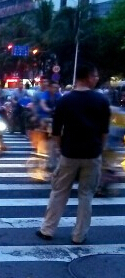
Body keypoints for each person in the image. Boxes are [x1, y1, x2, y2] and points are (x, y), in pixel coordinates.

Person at [36, 62, 110, 244]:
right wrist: (99, 150)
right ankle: (79, 235)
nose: (97, 79)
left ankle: (47, 229)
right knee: (86, 195)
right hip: (92, 154)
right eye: (95, 76)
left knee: (59, 191)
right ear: (86, 77)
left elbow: (56, 131)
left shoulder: (65, 100)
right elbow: (104, 132)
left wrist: (61, 148)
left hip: (69, 153)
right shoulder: (101, 101)